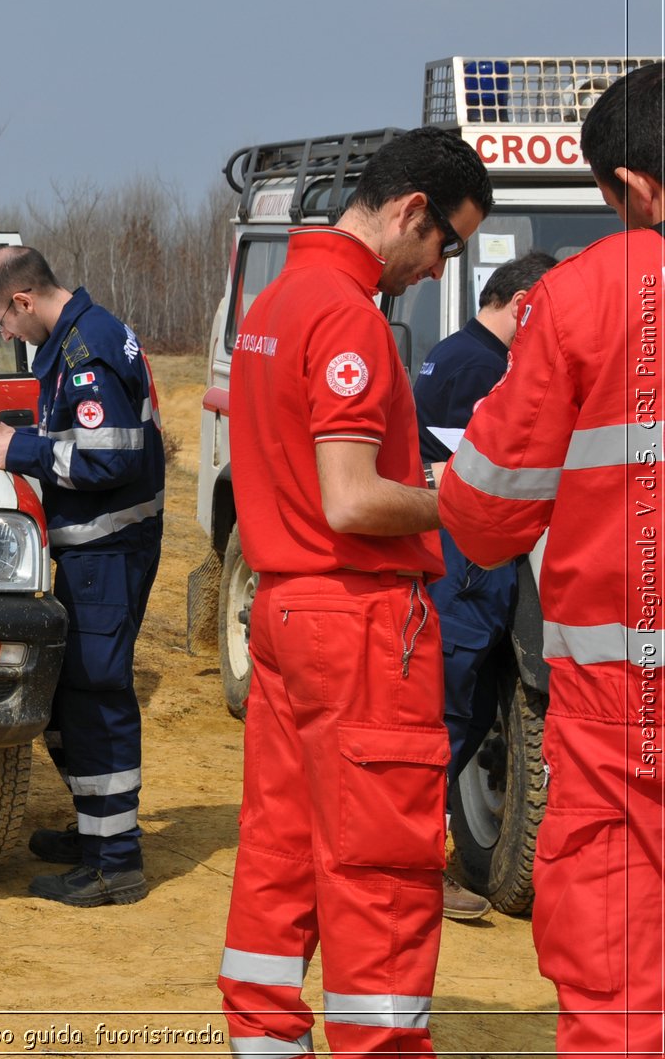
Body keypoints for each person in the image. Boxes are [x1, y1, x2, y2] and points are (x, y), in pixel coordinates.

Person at [215, 126, 492, 1055]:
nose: (433, 268)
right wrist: (458, 500)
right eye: (444, 244)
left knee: (280, 850)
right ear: (412, 212)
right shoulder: (347, 315)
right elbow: (353, 496)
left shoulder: (281, 298)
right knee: (381, 868)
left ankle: (264, 1037)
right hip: (360, 622)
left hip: (287, 610)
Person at [439, 61, 665, 1057]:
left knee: (616, 939)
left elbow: (486, 515)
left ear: (631, 188)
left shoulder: (581, 300)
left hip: (627, 693)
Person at [0, 246, 164, 907]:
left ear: (21, 300)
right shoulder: (83, 334)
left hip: (107, 547)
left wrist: (18, 450)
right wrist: (9, 428)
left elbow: (109, 458)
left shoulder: (84, 350)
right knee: (73, 696)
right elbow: (74, 429)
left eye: (1, 323)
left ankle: (114, 861)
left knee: (96, 698)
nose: (5, 337)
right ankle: (96, 833)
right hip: (98, 547)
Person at [413, 250, 555, 921]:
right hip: (469, 561)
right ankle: (414, 864)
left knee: (451, 705)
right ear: (524, 302)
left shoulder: (454, 352)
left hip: (458, 556)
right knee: (451, 707)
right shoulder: (485, 367)